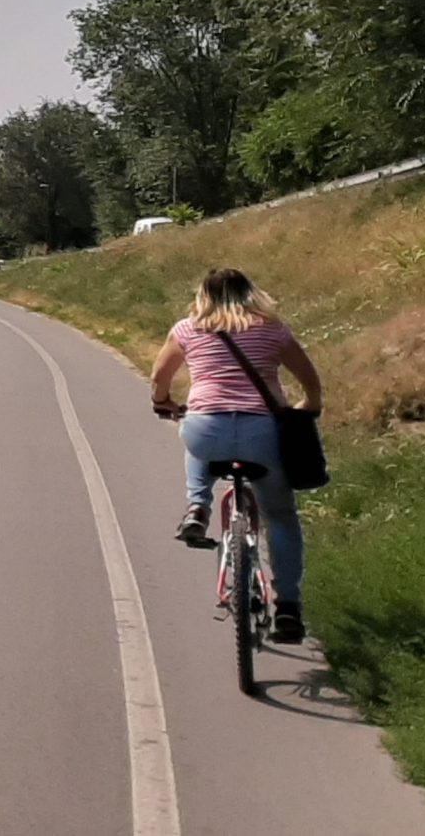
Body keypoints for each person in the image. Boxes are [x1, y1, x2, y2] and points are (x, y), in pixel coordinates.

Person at [149, 268, 323, 644]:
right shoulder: (272, 329)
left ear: (203, 296)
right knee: (279, 516)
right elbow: (309, 377)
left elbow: (159, 378)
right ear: (250, 293)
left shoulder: (187, 329)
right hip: (263, 433)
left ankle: (197, 506)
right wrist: (309, 404)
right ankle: (288, 607)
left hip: (207, 427)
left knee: (195, 433)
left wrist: (163, 402)